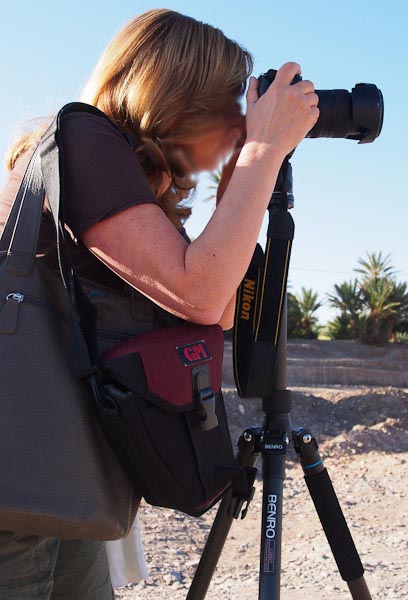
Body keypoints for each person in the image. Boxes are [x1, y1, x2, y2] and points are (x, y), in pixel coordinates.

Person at [0, 8, 319, 599]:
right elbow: (198, 294)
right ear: (181, 97)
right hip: (20, 474)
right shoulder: (82, 138)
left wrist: (240, 184)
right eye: (232, 113)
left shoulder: (117, 174)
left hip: (65, 471)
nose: (236, 134)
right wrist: (265, 150)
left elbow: (217, 306)